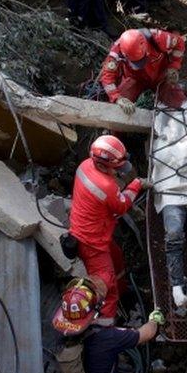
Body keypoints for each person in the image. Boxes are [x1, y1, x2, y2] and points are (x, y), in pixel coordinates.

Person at [70, 135, 150, 323]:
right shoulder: (105, 185)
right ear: (104, 165)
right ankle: (106, 327)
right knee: (108, 289)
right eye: (116, 169)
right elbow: (122, 206)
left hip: (88, 232)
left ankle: (124, 291)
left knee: (117, 259)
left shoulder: (85, 166)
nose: (117, 173)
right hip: (93, 246)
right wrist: (137, 184)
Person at [98, 28, 187, 114]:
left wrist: (173, 67)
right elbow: (106, 77)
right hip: (135, 79)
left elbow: (179, 43)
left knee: (180, 104)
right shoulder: (116, 51)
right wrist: (117, 98)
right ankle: (114, 129)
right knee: (119, 109)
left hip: (160, 76)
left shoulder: (158, 37)